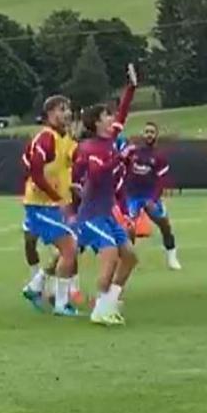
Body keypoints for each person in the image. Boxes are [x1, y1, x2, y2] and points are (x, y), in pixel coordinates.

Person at [74, 67, 140, 327]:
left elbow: (124, 111)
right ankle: (100, 310)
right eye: (106, 116)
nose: (113, 118)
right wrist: (120, 160)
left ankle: (108, 305)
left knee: (131, 257)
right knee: (110, 255)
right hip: (90, 215)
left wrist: (131, 87)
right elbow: (97, 175)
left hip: (106, 212)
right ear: (96, 123)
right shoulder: (88, 148)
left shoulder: (111, 138)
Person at [20, 95, 82, 317]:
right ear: (49, 114)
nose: (66, 113)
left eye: (68, 109)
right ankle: (61, 304)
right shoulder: (46, 138)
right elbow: (35, 172)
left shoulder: (64, 138)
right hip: (41, 207)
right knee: (70, 247)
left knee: (67, 248)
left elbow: (73, 162)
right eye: (61, 109)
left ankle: (35, 287)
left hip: (54, 205)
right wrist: (56, 196)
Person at [123, 121, 182, 270]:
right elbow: (120, 165)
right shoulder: (132, 151)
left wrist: (153, 199)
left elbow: (162, 181)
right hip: (132, 196)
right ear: (143, 134)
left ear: (156, 135)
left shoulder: (159, 156)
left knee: (165, 225)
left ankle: (172, 258)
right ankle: (128, 259)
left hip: (149, 196)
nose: (149, 134)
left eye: (152, 132)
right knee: (128, 228)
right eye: (147, 131)